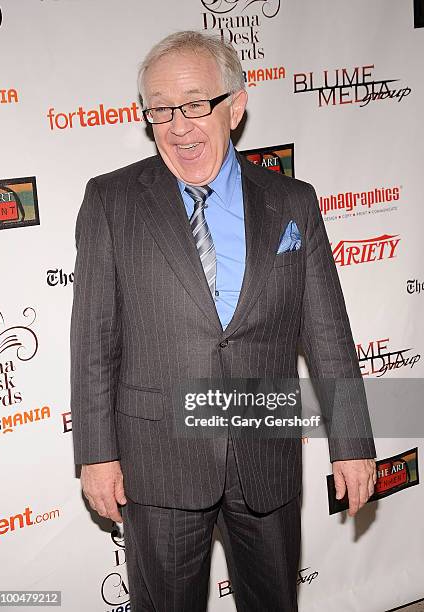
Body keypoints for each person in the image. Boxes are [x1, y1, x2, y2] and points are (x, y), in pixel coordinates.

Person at [70, 30, 377, 612]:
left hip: (266, 456)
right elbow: (93, 340)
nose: (177, 126)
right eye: (159, 110)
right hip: (157, 462)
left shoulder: (293, 202)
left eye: (193, 104)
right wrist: (96, 454)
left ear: (235, 105)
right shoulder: (112, 202)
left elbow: (330, 333)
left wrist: (353, 442)